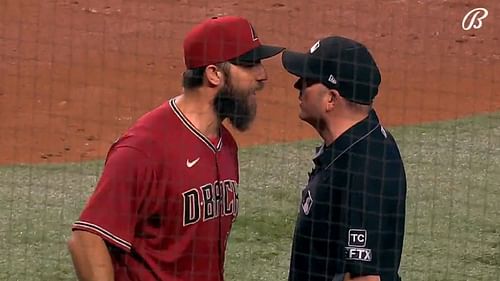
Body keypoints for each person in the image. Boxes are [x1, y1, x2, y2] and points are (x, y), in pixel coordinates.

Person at [67, 15, 284, 281]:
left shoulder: (225, 145)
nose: (262, 75)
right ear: (214, 74)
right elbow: (86, 239)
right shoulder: (144, 149)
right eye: (250, 65)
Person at [281, 36, 407, 281]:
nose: (298, 86)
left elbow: (366, 277)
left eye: (308, 80)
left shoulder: (363, 168)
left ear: (331, 99)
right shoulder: (353, 145)